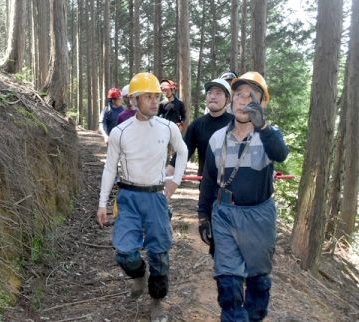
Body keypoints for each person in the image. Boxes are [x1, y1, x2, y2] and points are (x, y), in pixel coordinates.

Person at [197, 72, 289, 321]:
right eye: (239, 95)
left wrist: (264, 127)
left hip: (259, 217)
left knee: (258, 284)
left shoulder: (269, 136)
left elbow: (280, 154)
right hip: (225, 215)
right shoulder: (218, 139)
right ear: (232, 100)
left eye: (251, 96)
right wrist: (203, 216)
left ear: (262, 104)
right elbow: (208, 181)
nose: (243, 100)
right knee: (228, 284)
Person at [96, 72, 188, 321]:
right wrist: (102, 203)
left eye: (156, 96)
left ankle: (157, 299)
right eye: (148, 96)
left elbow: (183, 150)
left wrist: (175, 182)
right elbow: (109, 168)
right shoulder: (120, 132)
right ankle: (139, 276)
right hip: (128, 196)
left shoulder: (168, 127)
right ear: (134, 100)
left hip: (156, 198)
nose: (154, 101)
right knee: (124, 252)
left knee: (159, 253)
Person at [168, 78, 234, 178]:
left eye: (218, 93)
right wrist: (169, 171)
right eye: (209, 93)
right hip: (205, 186)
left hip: (233, 186)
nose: (212, 96)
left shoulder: (236, 124)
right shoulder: (197, 125)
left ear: (227, 99)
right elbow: (184, 151)